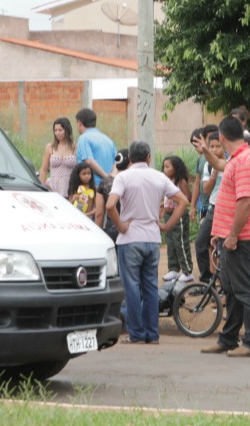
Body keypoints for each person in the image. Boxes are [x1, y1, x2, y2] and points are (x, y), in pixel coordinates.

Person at [194, 116, 250, 357]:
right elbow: (220, 165)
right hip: (230, 237)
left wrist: (233, 235)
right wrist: (206, 151)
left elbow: (245, 202)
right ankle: (229, 339)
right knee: (232, 290)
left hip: (240, 239)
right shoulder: (237, 158)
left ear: (222, 137)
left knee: (246, 289)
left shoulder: (244, 161)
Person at [106, 141, 189, 345]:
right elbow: (183, 201)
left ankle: (136, 333)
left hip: (130, 239)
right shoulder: (159, 177)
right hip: (152, 238)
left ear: (131, 159)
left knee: (132, 287)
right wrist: (168, 225)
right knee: (150, 286)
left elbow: (110, 205)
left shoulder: (123, 177)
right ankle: (152, 334)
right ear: (149, 158)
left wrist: (121, 226)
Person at [193, 131, 225, 281]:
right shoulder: (208, 164)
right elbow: (206, 189)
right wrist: (214, 172)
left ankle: (224, 283)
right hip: (214, 208)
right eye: (211, 146)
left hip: (227, 210)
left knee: (223, 248)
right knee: (200, 242)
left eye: (218, 146)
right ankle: (207, 280)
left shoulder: (231, 161)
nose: (214, 150)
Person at [161, 155, 194, 283]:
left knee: (180, 242)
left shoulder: (181, 182)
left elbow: (187, 198)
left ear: (176, 168)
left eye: (168, 167)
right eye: (164, 167)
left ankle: (187, 270)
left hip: (179, 216)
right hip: (168, 215)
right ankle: (173, 269)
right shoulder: (166, 181)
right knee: (170, 243)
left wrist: (174, 197)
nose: (165, 169)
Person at [75, 108, 117, 187]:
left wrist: (106, 177)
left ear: (79, 123)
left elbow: (89, 161)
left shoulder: (83, 138)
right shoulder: (107, 139)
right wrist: (112, 177)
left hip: (93, 186)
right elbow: (117, 161)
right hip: (110, 186)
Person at [95, 149, 130, 242]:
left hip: (111, 230)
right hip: (130, 229)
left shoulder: (105, 182)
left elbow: (99, 214)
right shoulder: (133, 180)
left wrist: (99, 237)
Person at [39, 117, 77, 198]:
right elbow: (44, 169)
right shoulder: (50, 147)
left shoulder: (75, 147)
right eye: (55, 130)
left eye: (60, 130)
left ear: (67, 130)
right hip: (53, 187)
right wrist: (40, 188)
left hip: (70, 187)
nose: (57, 133)